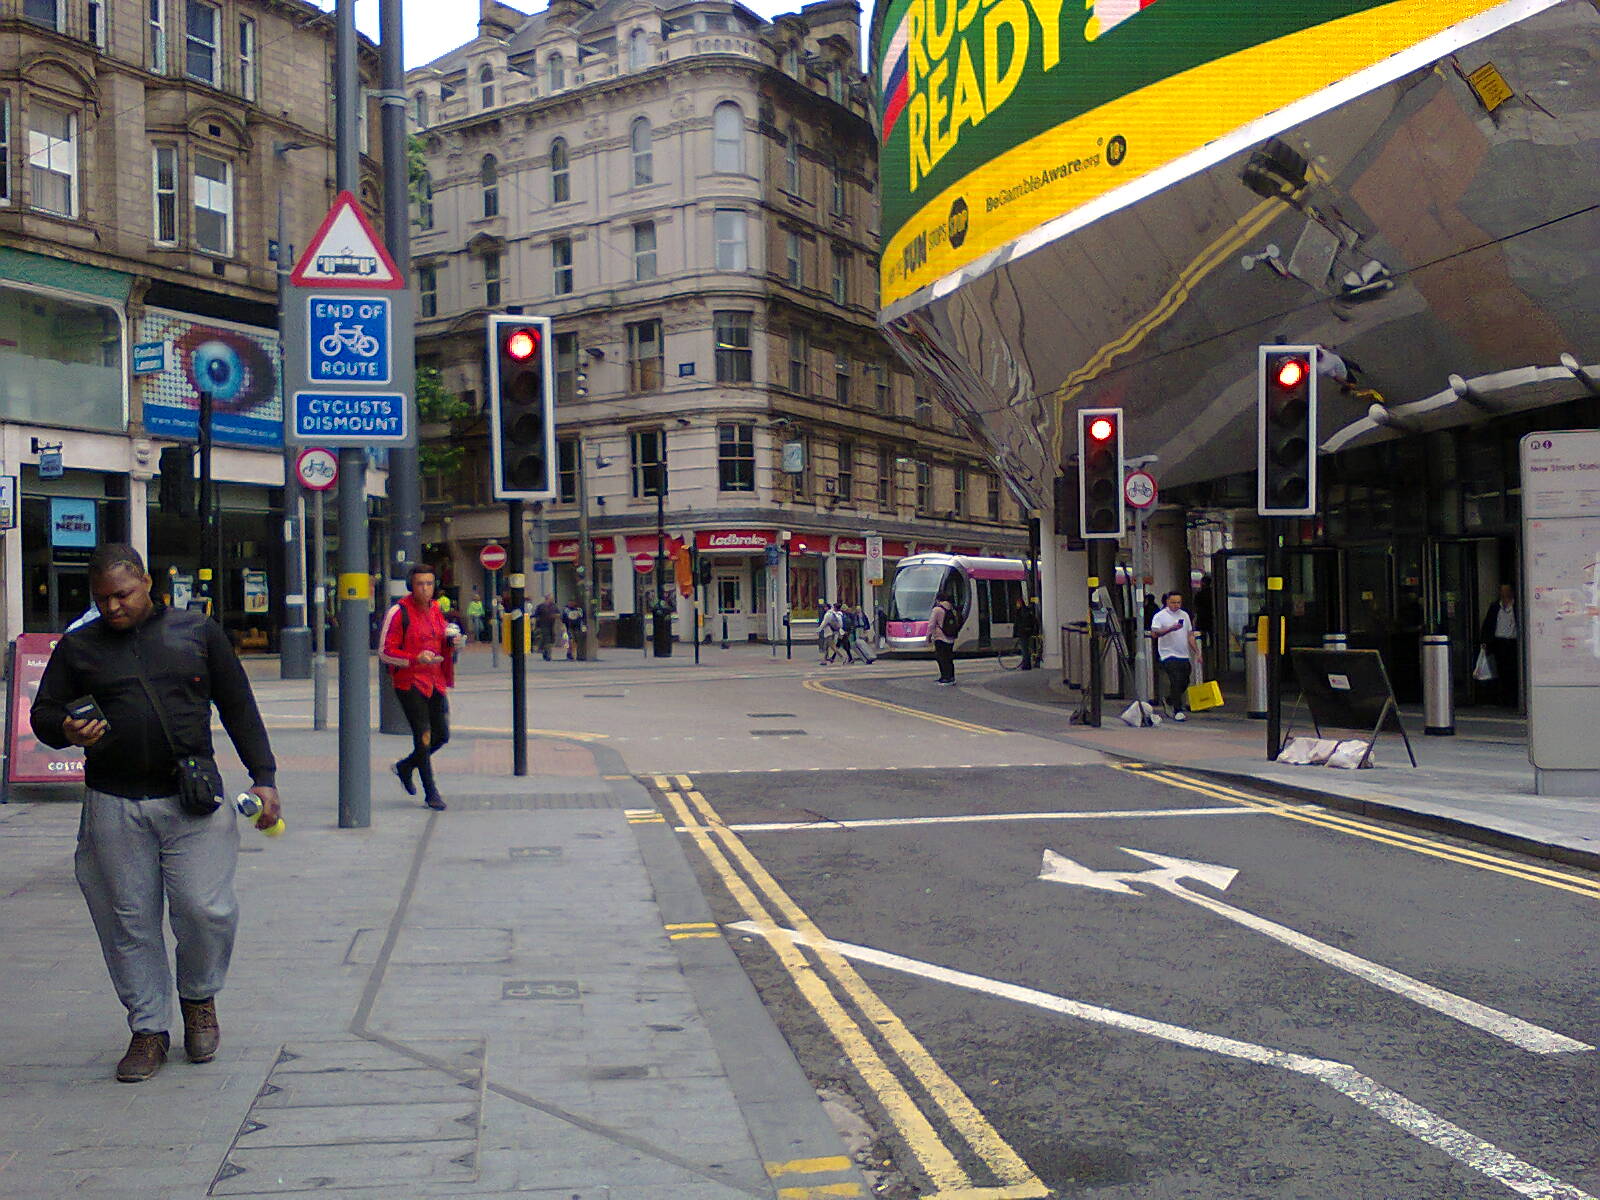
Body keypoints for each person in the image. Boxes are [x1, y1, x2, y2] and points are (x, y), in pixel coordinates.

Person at [30, 543, 282, 1083]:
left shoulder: (197, 632)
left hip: (192, 799)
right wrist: (66, 730)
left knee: (204, 909)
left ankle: (198, 998)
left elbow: (238, 703)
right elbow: (44, 715)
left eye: (122, 594)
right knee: (127, 920)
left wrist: (264, 777)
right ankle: (147, 1029)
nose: (114, 607)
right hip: (114, 801)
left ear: (146, 582)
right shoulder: (78, 647)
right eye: (103, 600)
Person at [381, 563, 465, 812]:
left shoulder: (436, 610)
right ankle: (431, 792)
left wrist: (453, 643)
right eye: (420, 584)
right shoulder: (398, 612)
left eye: (429, 584)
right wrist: (415, 658)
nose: (425, 589)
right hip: (410, 682)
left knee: (442, 735)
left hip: (435, 680)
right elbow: (385, 652)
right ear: (411, 586)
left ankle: (406, 766)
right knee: (424, 736)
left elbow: (442, 642)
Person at [1150, 591, 1201, 721]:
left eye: (1178, 602)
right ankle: (1177, 710)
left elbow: (1189, 635)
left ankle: (1169, 699)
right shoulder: (1160, 616)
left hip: (1183, 653)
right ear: (1167, 602)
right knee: (1175, 679)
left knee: (1185, 681)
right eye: (1173, 602)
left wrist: (1197, 652)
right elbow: (1155, 633)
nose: (1176, 605)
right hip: (1167, 653)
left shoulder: (1184, 615)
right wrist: (1170, 629)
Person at [1480, 582, 1520, 708]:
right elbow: (1488, 624)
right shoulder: (1495, 607)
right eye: (1502, 591)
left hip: (1513, 642)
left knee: (1513, 671)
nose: (1504, 594)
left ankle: (1514, 698)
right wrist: (1485, 641)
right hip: (1499, 642)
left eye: (1507, 591)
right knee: (1500, 671)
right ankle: (1502, 699)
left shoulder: (1517, 606)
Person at [928, 594, 957, 684]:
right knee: (949, 658)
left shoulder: (937, 610)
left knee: (941, 658)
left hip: (940, 637)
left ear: (938, 600)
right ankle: (951, 677)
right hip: (951, 637)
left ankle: (945, 677)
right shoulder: (952, 609)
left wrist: (929, 635)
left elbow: (931, 624)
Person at [1013, 597, 1040, 669]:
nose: (1017, 605)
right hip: (1027, 632)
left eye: (1018, 603)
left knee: (1024, 649)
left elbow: (1018, 623)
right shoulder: (1026, 611)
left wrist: (1015, 633)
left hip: (1023, 633)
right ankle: (1027, 664)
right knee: (1026, 649)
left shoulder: (1020, 612)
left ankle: (1026, 665)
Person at [532, 594, 560, 662]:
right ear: (547, 599)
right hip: (543, 625)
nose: (551, 600)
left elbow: (558, 614)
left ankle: (545, 652)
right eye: (550, 598)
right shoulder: (541, 606)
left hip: (551, 625)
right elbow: (536, 615)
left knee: (550, 640)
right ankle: (548, 654)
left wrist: (555, 616)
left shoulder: (554, 606)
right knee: (547, 640)